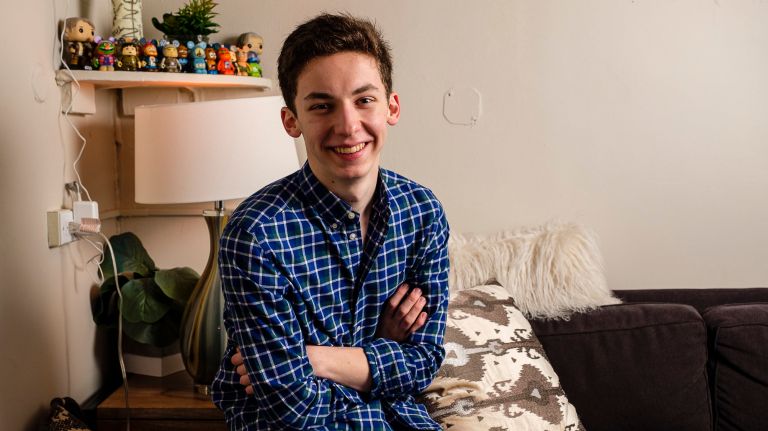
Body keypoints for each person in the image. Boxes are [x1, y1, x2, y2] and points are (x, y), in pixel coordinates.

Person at [211, 13, 450, 430]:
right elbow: (293, 405)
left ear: (391, 107)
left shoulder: (423, 213)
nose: (347, 125)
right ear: (292, 121)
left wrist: (313, 357)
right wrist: (382, 349)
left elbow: (424, 362)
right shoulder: (254, 233)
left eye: (364, 100)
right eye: (322, 106)